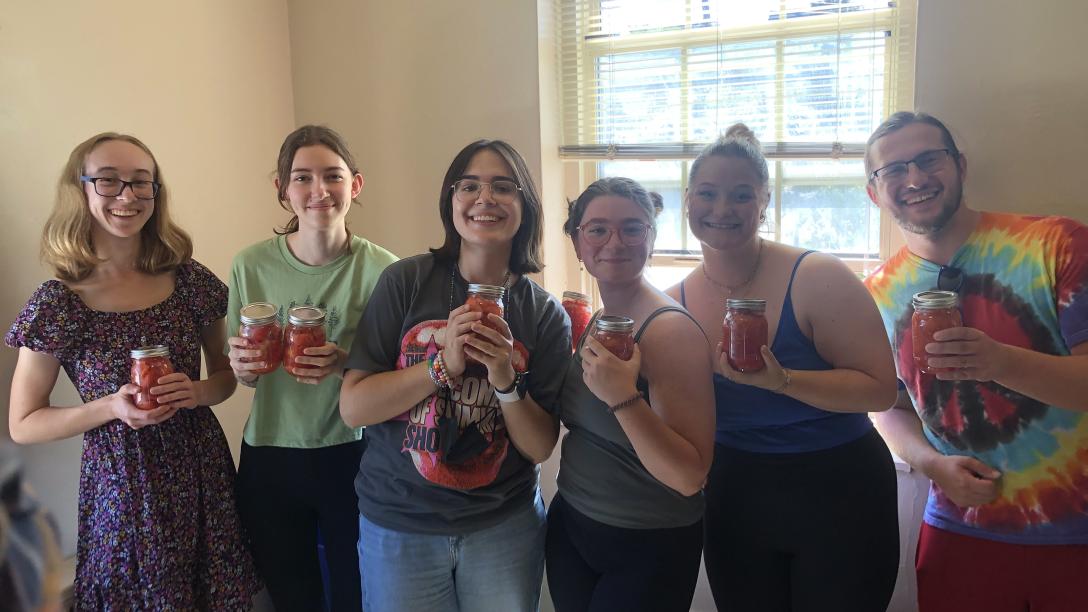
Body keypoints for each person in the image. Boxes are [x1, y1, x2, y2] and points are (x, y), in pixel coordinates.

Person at [5, 132, 260, 610]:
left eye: (142, 183)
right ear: (80, 190)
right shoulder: (59, 302)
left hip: (199, 469)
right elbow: (23, 424)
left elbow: (227, 378)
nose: (127, 196)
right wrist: (109, 407)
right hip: (122, 484)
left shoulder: (189, 280)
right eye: (108, 181)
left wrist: (197, 391)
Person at [666, 123, 900, 611]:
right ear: (688, 200)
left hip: (840, 491)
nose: (722, 209)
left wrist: (784, 381)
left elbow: (879, 391)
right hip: (736, 497)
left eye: (741, 195)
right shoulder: (674, 304)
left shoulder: (817, 277)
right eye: (707, 193)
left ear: (764, 201)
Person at [863, 111, 1088, 612]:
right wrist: (932, 465)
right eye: (894, 170)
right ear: (874, 193)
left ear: (960, 166)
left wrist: (999, 362)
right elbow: (888, 404)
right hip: (959, 531)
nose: (915, 179)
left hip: (1078, 529)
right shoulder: (874, 294)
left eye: (929, 160)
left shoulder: (1057, 244)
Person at [339, 139, 570, 612]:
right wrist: (441, 366)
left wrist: (506, 379)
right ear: (451, 202)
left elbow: (540, 446)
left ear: (524, 208)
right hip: (399, 524)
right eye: (469, 186)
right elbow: (353, 407)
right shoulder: (405, 282)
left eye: (503, 187)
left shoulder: (544, 314)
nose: (485, 198)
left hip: (502, 528)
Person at [225, 125, 396, 611]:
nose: (318, 191)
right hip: (270, 453)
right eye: (302, 178)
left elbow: (396, 377)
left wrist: (346, 363)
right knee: (291, 594)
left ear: (355, 185)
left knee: (356, 593)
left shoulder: (385, 270)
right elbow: (242, 373)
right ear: (283, 190)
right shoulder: (249, 265)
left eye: (332, 176)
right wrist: (243, 367)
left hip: (355, 453)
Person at [545, 177, 715, 612]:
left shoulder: (669, 331)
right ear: (578, 242)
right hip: (574, 525)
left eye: (632, 228)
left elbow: (688, 476)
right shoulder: (600, 319)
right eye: (597, 229)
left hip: (646, 543)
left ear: (651, 239)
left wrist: (623, 398)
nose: (614, 242)